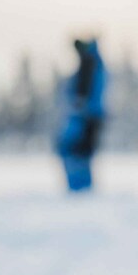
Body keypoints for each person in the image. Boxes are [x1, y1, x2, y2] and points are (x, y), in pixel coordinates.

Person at [56, 38, 107, 192]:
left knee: (73, 151)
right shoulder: (97, 63)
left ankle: (79, 189)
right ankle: (82, 189)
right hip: (92, 118)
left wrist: (78, 104)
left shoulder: (89, 63)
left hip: (83, 118)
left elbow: (82, 97)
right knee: (81, 153)